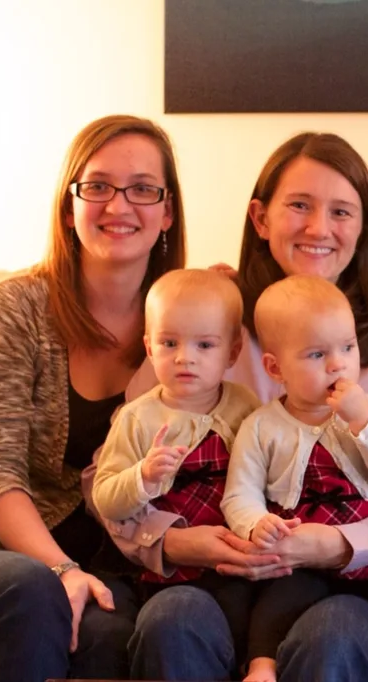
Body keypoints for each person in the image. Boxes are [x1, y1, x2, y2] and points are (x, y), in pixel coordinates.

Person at [94, 131, 368, 682]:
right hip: (215, 569)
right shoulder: (200, 328)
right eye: (299, 206)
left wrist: (337, 544)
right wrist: (173, 540)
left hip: (349, 578)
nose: (319, 228)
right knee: (173, 618)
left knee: (334, 631)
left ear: (362, 230)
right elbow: (111, 474)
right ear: (261, 219)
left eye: (341, 211)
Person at [0, 114, 186, 682]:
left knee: (110, 637)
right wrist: (60, 568)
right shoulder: (13, 309)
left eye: (142, 189)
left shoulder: (185, 322)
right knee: (29, 590)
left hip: (110, 563)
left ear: (167, 211)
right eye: (98, 186)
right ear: (69, 207)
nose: (119, 205)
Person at [222, 275, 368, 682]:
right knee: (274, 595)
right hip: (300, 547)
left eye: (348, 347)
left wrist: (364, 422)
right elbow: (240, 494)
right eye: (317, 354)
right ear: (275, 368)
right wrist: (255, 523)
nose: (338, 364)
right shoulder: (261, 426)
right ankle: (262, 666)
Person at [91, 268, 260, 662]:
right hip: (169, 573)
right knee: (173, 625)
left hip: (240, 559)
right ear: (150, 348)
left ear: (232, 352)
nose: (185, 357)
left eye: (205, 345)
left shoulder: (246, 407)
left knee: (249, 622)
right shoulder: (136, 418)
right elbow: (106, 500)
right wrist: (142, 477)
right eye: (169, 343)